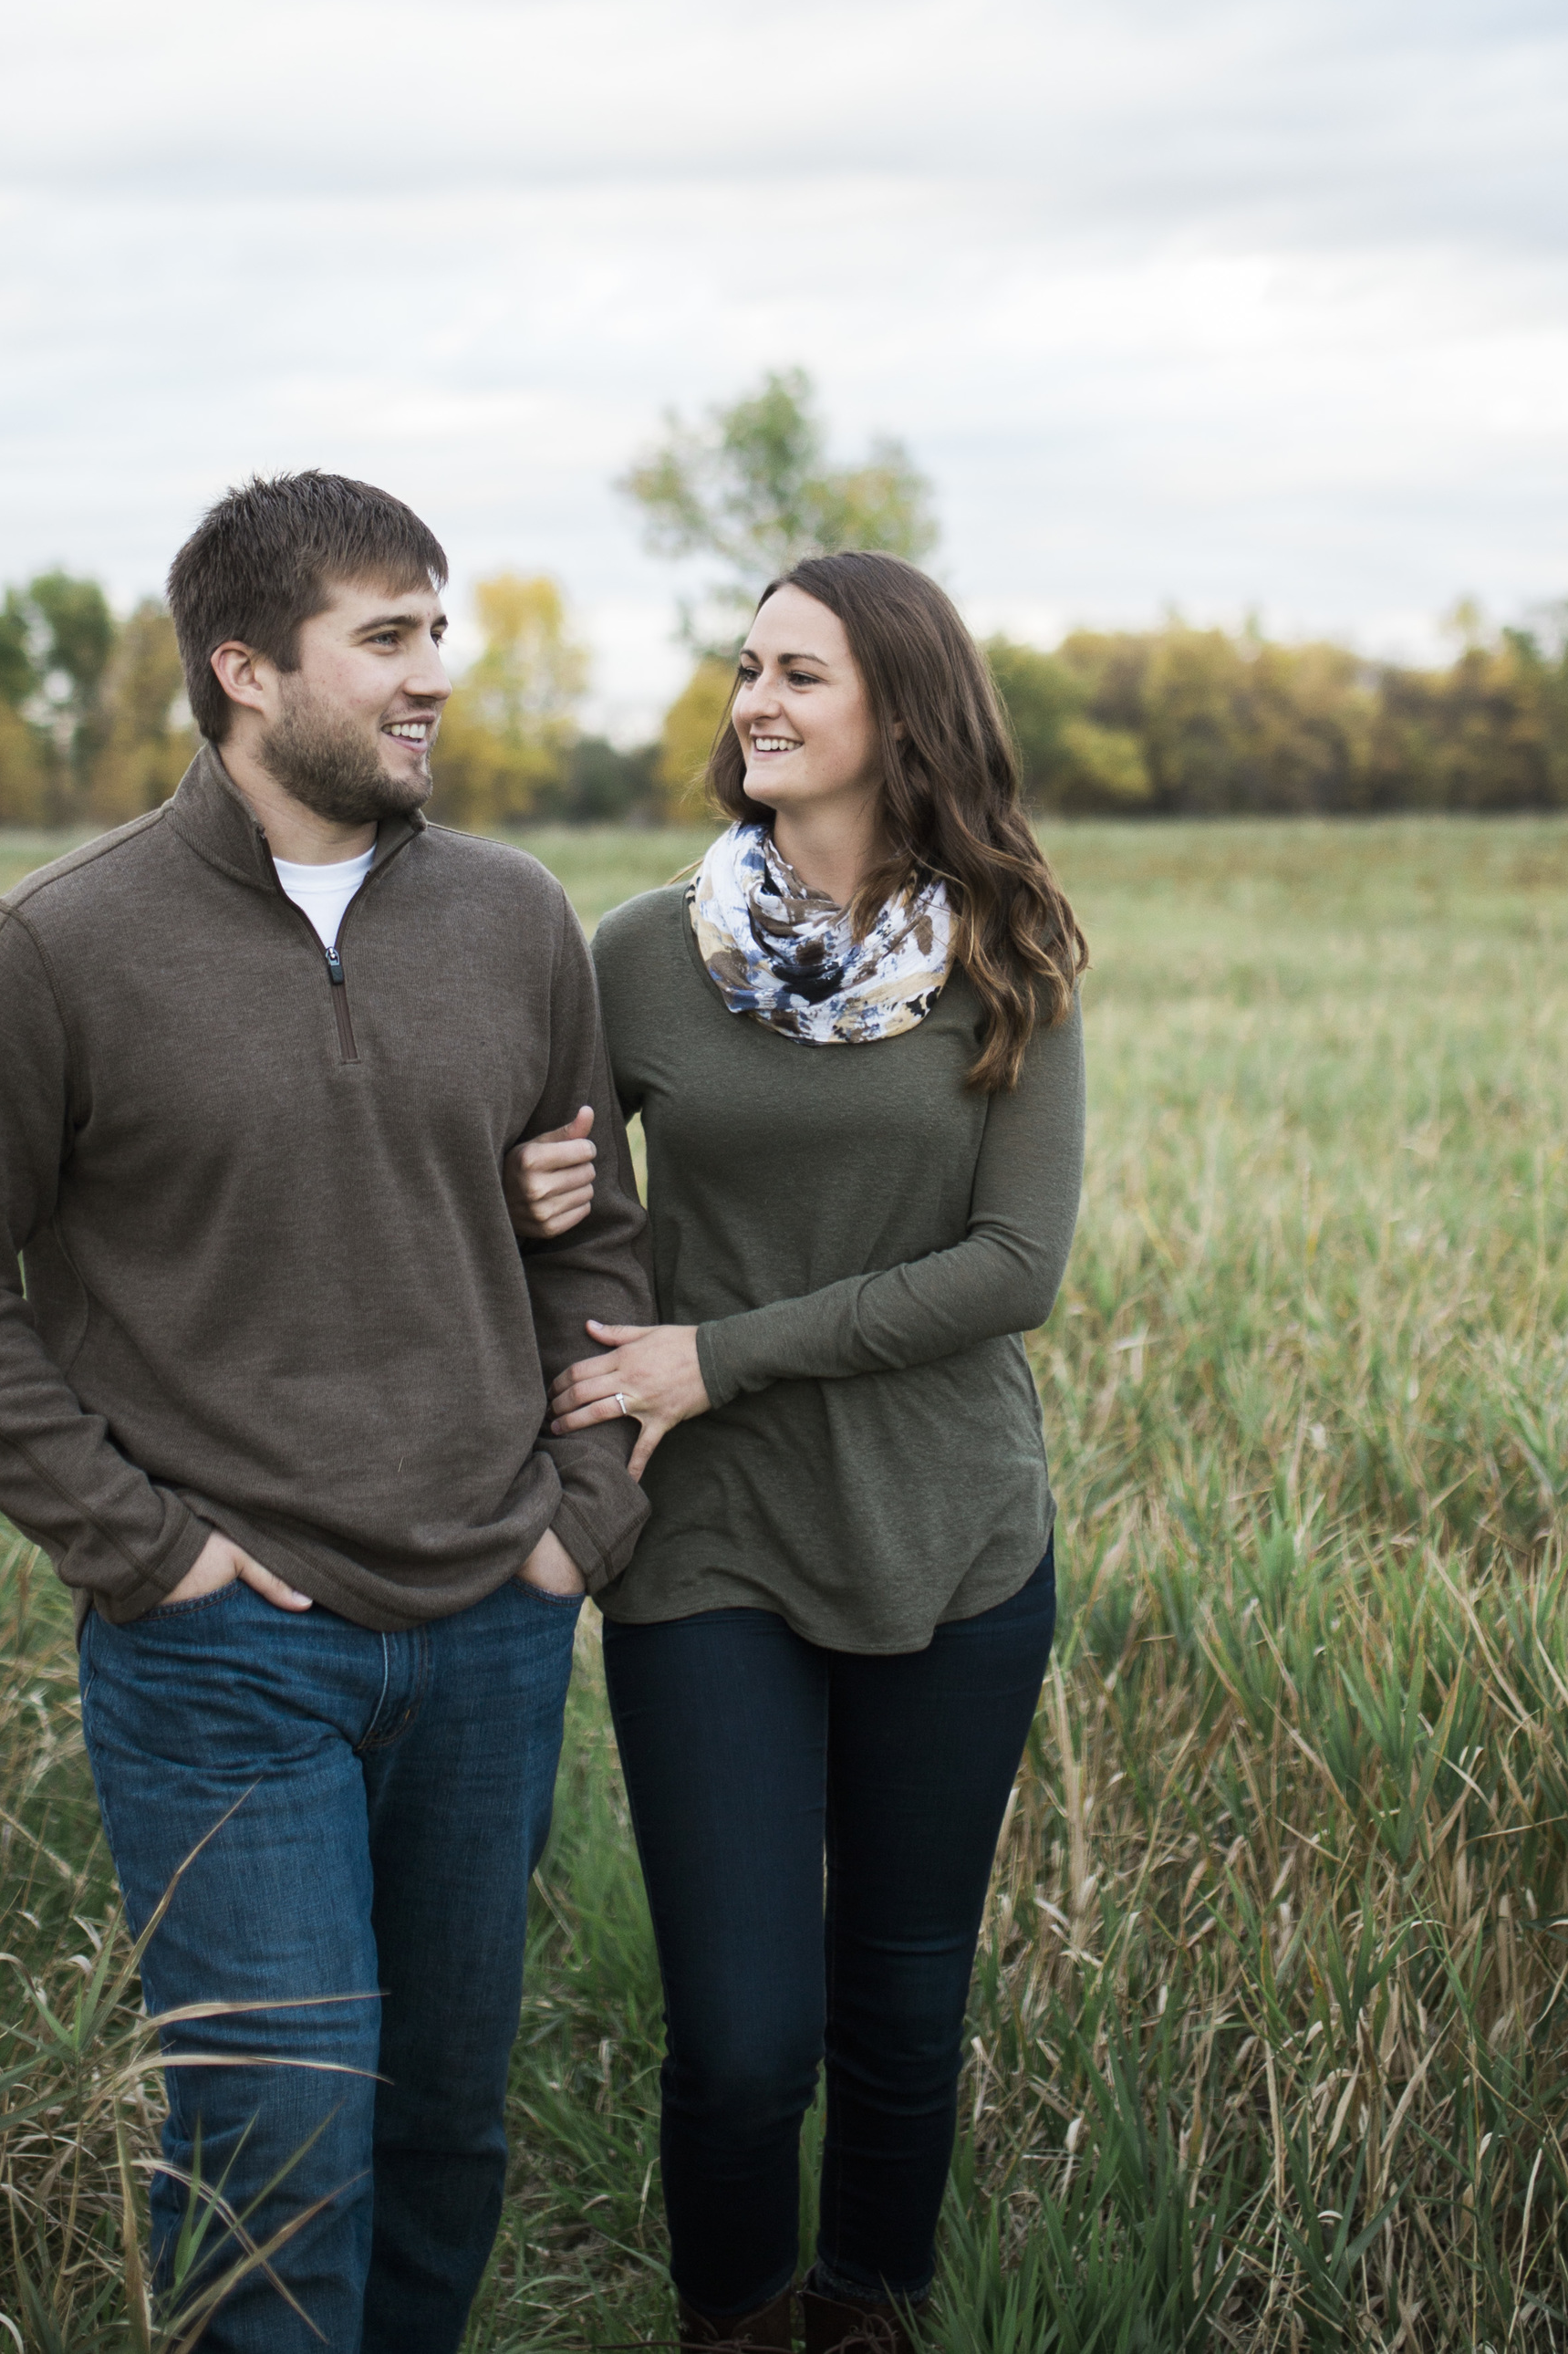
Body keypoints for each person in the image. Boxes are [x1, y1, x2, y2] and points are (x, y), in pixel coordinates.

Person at [0, 470, 651, 2354]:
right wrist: (141, 1549)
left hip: (488, 1622)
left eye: (434, 634)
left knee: (444, 2132)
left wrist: (582, 1517)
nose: (432, 677)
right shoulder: (56, 948)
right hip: (225, 1653)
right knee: (278, 2140)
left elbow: (592, 1235)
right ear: (242, 670)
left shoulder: (515, 920)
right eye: (384, 638)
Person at [506, 550, 1087, 2354]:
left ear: (899, 714)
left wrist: (718, 1355)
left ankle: (871, 2312)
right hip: (709, 1553)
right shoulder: (637, 957)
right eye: (743, 668)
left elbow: (1011, 1271)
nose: (750, 700)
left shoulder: (1009, 955)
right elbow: (554, 1217)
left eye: (797, 675)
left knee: (901, 2013)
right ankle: (733, 2321)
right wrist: (524, 1186)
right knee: (746, 2035)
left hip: (953, 1541)